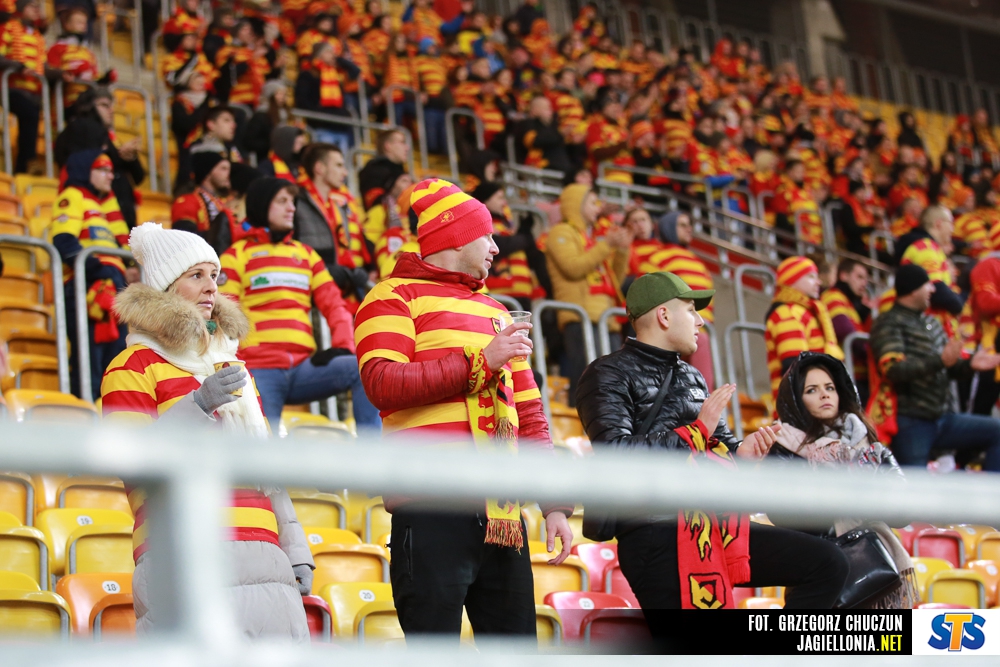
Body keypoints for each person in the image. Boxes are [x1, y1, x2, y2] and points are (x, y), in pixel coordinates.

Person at [354, 178, 574, 639]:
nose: (496, 247)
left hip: (503, 516)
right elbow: (382, 384)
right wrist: (481, 362)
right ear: (456, 237)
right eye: (487, 235)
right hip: (431, 506)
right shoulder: (392, 296)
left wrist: (554, 504)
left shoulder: (497, 310)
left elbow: (530, 414)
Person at [575, 272, 849, 618]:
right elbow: (615, 454)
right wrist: (696, 431)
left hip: (713, 524)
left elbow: (720, 445)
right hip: (653, 531)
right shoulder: (606, 373)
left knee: (828, 563)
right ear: (664, 316)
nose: (700, 321)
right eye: (691, 310)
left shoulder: (692, 376)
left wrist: (743, 452)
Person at [101, 222, 314, 640]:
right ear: (165, 289)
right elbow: (132, 462)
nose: (211, 287)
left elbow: (268, 470)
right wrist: (198, 406)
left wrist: (295, 548)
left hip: (266, 558)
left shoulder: (232, 365)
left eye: (214, 275)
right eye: (196, 275)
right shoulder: (131, 367)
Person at [219, 177, 380, 433]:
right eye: (282, 201)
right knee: (264, 444)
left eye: (292, 202)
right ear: (262, 205)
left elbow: (334, 305)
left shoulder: (307, 255)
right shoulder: (235, 255)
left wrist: (343, 347)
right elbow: (224, 315)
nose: (291, 208)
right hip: (258, 370)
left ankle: (371, 453)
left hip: (304, 368)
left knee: (365, 370)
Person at [771, 352, 916, 609]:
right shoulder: (783, 447)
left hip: (874, 572)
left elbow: (903, 513)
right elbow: (780, 513)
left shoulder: (873, 450)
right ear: (795, 401)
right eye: (812, 390)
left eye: (830, 388)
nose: (824, 395)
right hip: (816, 572)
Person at [868, 264, 1000, 470]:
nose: (932, 290)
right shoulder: (888, 323)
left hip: (942, 418)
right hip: (910, 421)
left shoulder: (932, 322)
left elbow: (949, 366)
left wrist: (970, 365)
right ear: (913, 289)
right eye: (927, 285)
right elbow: (893, 370)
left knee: (996, 431)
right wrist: (941, 361)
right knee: (915, 485)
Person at [52, 150, 129, 399]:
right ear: (86, 171)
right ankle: (86, 413)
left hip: (112, 286)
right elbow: (64, 241)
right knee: (90, 362)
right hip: (87, 285)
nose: (110, 176)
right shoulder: (72, 195)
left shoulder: (103, 206)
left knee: (114, 364)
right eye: (103, 170)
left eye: (111, 171)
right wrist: (98, 270)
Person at [545, 183, 631, 403]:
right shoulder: (559, 232)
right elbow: (573, 268)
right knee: (587, 383)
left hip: (605, 320)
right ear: (577, 205)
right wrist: (606, 245)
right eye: (593, 203)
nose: (598, 208)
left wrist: (621, 250)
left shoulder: (591, 240)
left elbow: (614, 281)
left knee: (613, 385)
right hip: (580, 317)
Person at [54, 86, 145, 229]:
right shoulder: (81, 128)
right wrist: (119, 155)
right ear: (89, 106)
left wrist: (129, 157)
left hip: (118, 210)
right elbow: (91, 165)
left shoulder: (110, 138)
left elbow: (139, 176)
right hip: (99, 210)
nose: (111, 111)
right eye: (104, 105)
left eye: (112, 106)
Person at [295, 143, 373, 308]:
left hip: (339, 293)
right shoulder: (297, 203)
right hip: (310, 296)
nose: (345, 172)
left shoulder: (339, 207)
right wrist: (326, 269)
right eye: (338, 165)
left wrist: (354, 271)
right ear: (320, 168)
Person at [764, 256, 844, 400]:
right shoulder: (787, 313)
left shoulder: (804, 312)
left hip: (814, 399)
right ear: (791, 280)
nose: (818, 282)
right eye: (811, 277)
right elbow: (795, 365)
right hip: (802, 403)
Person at [473, 180, 539, 311]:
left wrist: (524, 234)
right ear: (485, 200)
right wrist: (524, 238)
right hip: (501, 293)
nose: (504, 203)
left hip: (522, 292)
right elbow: (501, 245)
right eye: (499, 198)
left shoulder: (506, 226)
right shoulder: (480, 224)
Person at [0, 0, 45, 173]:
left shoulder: (37, 36)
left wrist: (60, 74)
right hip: (9, 88)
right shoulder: (8, 28)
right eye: (31, 6)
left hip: (32, 93)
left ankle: (25, 165)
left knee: (32, 114)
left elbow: (43, 66)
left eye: (37, 6)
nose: (36, 10)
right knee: (30, 114)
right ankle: (26, 164)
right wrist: (18, 66)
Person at [820, 258, 872, 404]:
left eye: (866, 279)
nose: (864, 283)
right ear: (843, 276)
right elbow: (843, 330)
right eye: (859, 277)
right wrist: (870, 351)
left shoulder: (850, 303)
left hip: (856, 375)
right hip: (847, 375)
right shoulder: (834, 296)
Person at [170, 149, 236, 245]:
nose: (228, 174)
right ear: (208, 172)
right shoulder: (186, 201)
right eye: (223, 168)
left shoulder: (221, 202)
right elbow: (183, 239)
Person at [358, 129, 409, 210]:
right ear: (388, 146)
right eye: (402, 142)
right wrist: (394, 195)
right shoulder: (373, 171)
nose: (407, 148)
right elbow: (373, 206)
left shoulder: (400, 169)